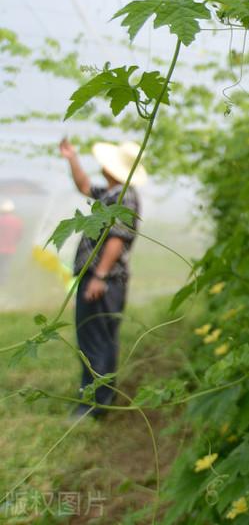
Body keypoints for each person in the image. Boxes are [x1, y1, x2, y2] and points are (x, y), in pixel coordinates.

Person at [59, 138, 145, 420]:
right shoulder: (112, 192)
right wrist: (72, 157)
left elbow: (117, 239)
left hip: (103, 280)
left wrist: (99, 275)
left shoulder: (124, 196)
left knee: (95, 340)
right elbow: (84, 186)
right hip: (103, 279)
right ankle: (100, 400)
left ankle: (93, 406)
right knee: (98, 339)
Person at [0, 199, 22, 285]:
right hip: (10, 249)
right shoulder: (18, 221)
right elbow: (19, 236)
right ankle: (2, 283)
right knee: (5, 267)